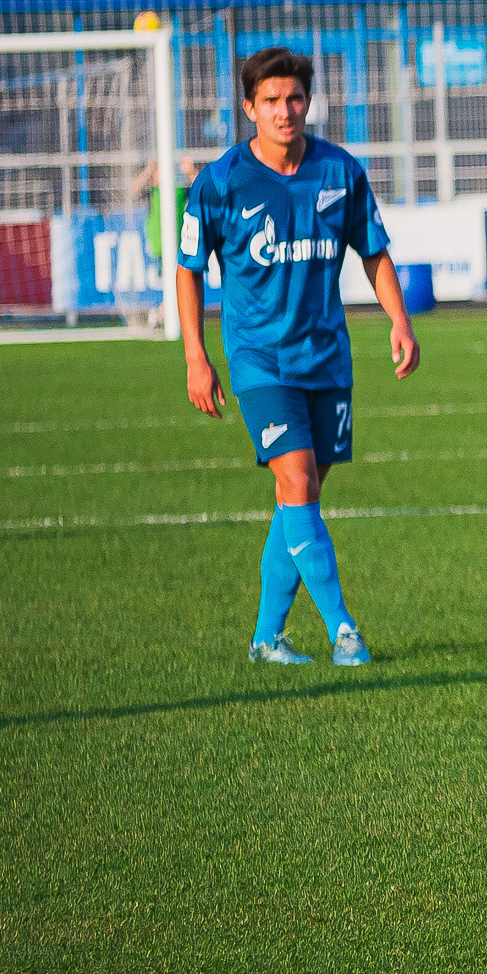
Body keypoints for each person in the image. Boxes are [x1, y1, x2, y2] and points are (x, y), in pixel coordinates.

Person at [175, 47, 419, 666]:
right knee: (298, 479)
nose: (285, 111)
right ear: (249, 107)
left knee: (299, 501)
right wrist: (195, 359)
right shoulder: (221, 182)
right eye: (272, 101)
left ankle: (266, 639)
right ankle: (344, 631)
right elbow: (187, 269)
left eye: (295, 99)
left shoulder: (339, 171)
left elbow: (373, 251)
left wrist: (398, 320)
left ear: (308, 102)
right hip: (260, 360)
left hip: (327, 357)